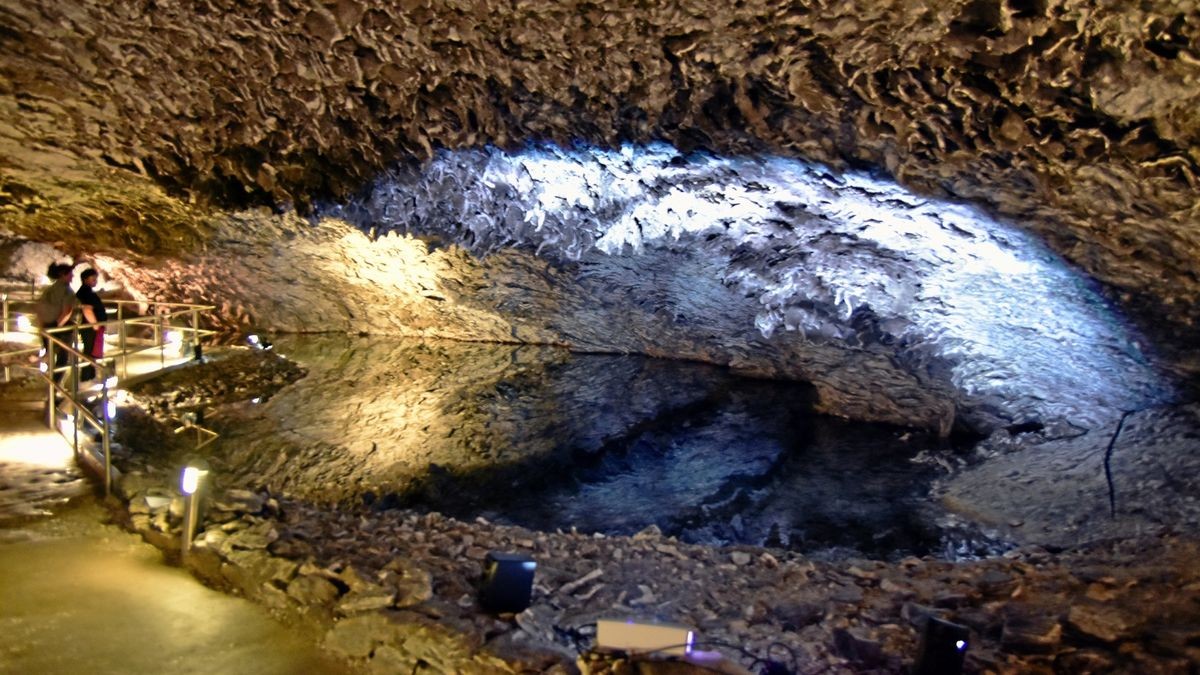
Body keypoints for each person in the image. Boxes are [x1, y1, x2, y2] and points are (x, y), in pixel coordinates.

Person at [34, 262, 78, 386]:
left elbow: (39, 307)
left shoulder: (48, 290)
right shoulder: (67, 291)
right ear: (62, 275)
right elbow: (67, 312)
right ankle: (55, 386)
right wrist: (57, 327)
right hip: (59, 328)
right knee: (62, 359)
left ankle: (49, 382)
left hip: (46, 326)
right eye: (70, 274)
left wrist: (42, 325)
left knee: (50, 354)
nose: (72, 277)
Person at [76, 268, 107, 381]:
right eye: (93, 278)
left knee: (91, 351)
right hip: (89, 327)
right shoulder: (86, 292)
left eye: (96, 278)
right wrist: (95, 325)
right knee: (89, 351)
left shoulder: (86, 291)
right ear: (85, 279)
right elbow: (87, 309)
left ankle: (90, 375)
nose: (95, 281)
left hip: (89, 326)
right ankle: (86, 377)